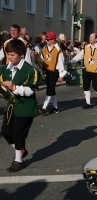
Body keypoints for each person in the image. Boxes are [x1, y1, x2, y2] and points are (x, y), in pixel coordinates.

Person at [0, 39, 40, 172]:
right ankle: (21, 150)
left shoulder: (30, 70)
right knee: (6, 132)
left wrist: (15, 87)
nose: (9, 58)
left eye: (12, 55)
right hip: (12, 106)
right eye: (8, 55)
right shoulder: (6, 69)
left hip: (26, 106)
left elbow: (30, 91)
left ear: (21, 54)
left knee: (18, 134)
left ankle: (19, 160)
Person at [70, 33, 97, 108]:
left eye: (92, 37)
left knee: (96, 86)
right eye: (90, 37)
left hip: (96, 70)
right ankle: (88, 103)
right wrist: (71, 61)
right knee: (86, 86)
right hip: (87, 70)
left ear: (96, 39)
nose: (90, 38)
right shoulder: (86, 47)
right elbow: (79, 56)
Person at [40, 31, 67, 115]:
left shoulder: (58, 50)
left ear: (53, 40)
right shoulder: (44, 48)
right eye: (46, 39)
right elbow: (41, 60)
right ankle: (55, 107)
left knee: (50, 89)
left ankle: (43, 108)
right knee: (52, 89)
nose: (46, 41)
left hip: (54, 72)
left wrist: (61, 75)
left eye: (48, 39)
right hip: (47, 71)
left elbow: (60, 64)